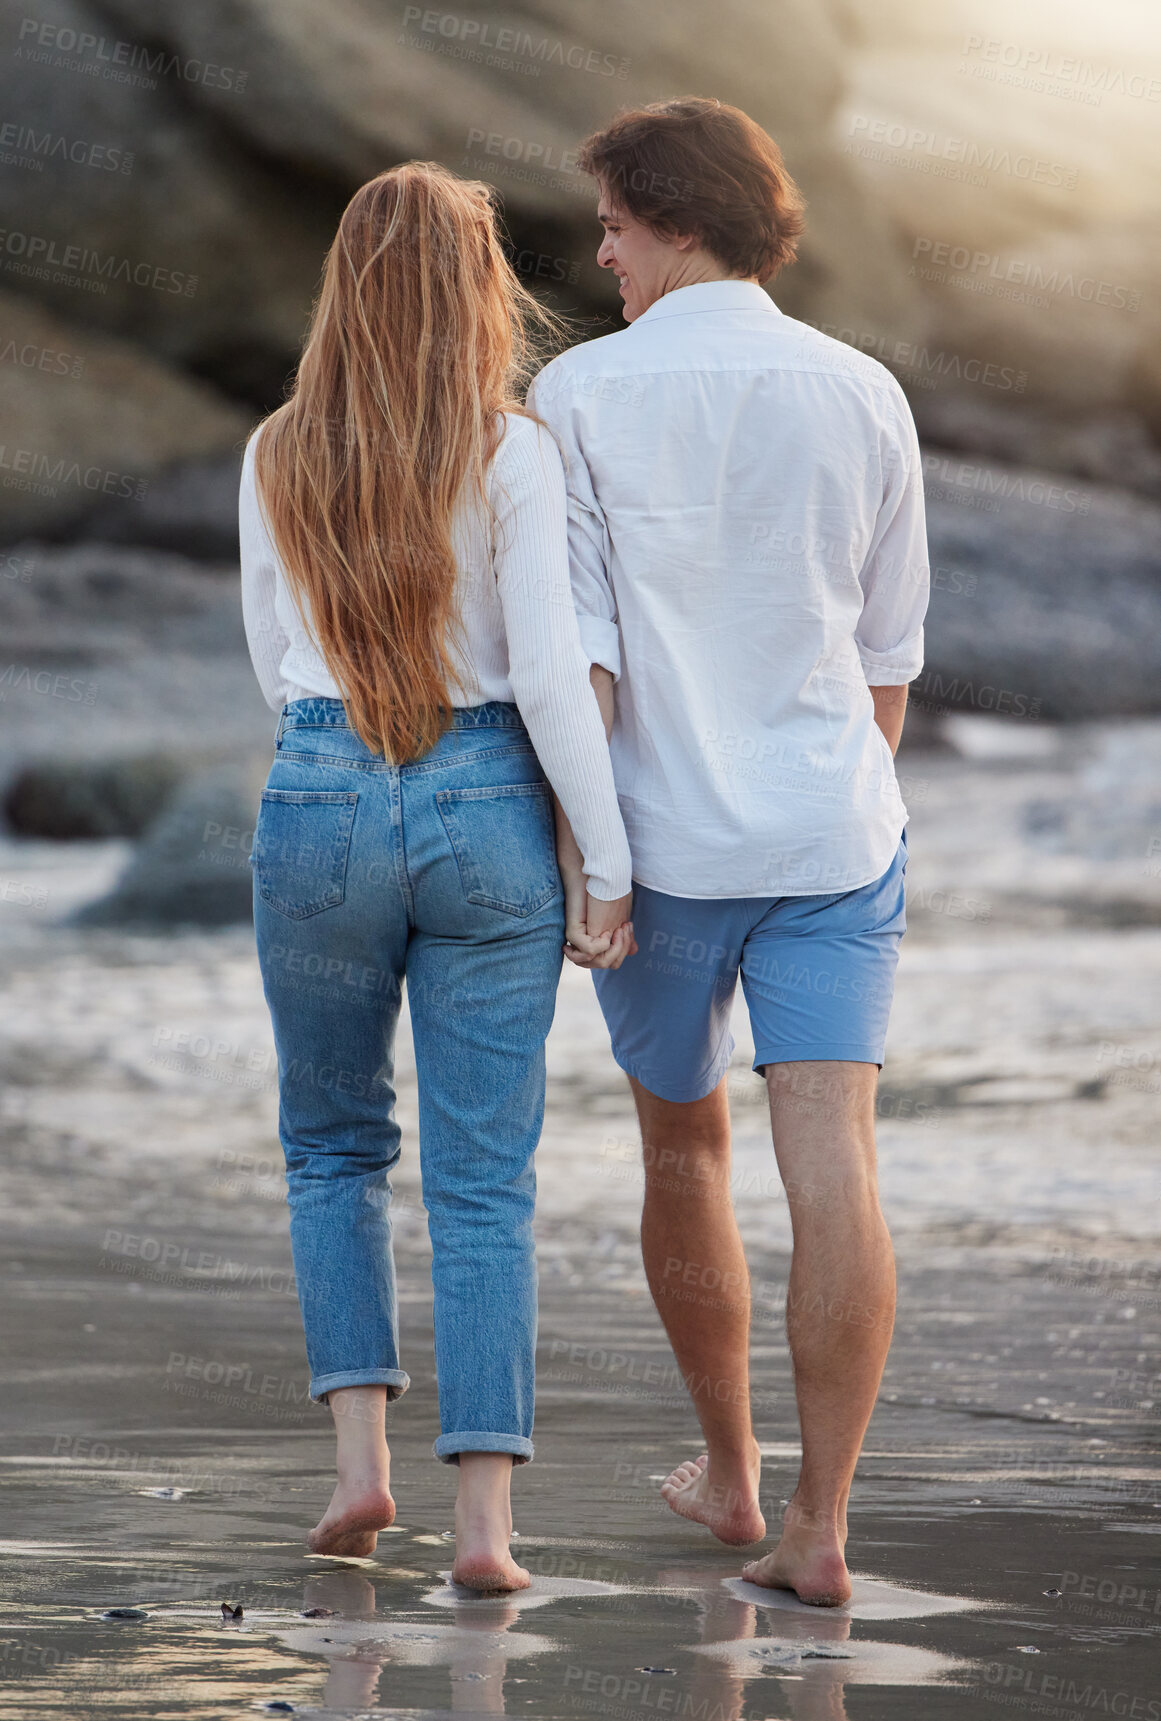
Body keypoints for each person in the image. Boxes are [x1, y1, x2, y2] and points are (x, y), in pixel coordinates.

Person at [528, 98, 930, 1607]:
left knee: (682, 1143)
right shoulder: (863, 388)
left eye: (616, 223)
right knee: (835, 1156)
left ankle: (731, 1471)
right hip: (834, 836)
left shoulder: (578, 395)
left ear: (678, 220)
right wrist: (822, 803)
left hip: (661, 850)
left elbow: (588, 664)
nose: (602, 250)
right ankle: (822, 1527)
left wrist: (594, 859)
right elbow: (886, 657)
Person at [239, 162, 633, 1592]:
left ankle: (358, 1473)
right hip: (484, 806)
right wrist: (608, 858)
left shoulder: (278, 447)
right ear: (478, 289)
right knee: (484, 1180)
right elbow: (540, 673)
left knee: (332, 1147)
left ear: (344, 283)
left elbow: (265, 662)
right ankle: (484, 1532)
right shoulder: (506, 448)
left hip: (319, 788)